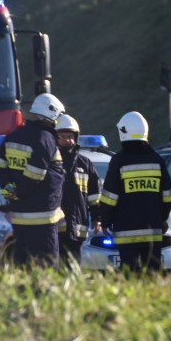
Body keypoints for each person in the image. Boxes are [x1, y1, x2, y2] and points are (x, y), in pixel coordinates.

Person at [0, 92, 66, 268]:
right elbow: (36, 173)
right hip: (42, 219)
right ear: (52, 113)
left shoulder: (13, 136)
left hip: (18, 217)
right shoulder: (46, 138)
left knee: (22, 266)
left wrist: (8, 189)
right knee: (45, 266)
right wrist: (18, 193)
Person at [99, 111, 171, 275]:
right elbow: (168, 198)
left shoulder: (119, 161)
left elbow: (110, 198)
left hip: (126, 234)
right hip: (153, 233)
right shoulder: (157, 160)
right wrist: (161, 218)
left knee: (130, 277)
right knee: (153, 278)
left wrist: (105, 221)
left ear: (123, 132)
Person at [56, 114, 102, 266]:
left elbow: (95, 195)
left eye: (70, 136)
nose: (67, 140)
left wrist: (97, 218)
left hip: (78, 228)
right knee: (55, 266)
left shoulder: (85, 163)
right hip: (55, 227)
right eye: (62, 136)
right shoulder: (50, 161)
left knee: (74, 267)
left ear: (76, 137)